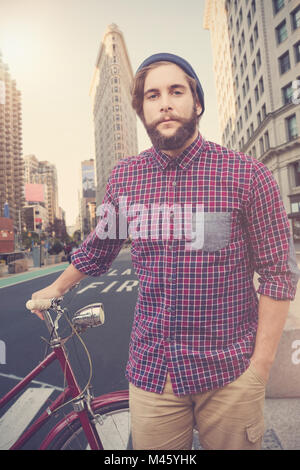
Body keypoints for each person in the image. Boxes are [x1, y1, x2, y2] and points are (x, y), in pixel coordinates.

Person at [30, 53, 300, 450]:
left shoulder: (247, 174)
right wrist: (56, 288)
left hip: (229, 373)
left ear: (198, 102)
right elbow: (98, 249)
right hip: (154, 375)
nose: (165, 103)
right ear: (142, 111)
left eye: (176, 91)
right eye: (152, 96)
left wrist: (259, 370)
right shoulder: (126, 177)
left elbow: (279, 273)